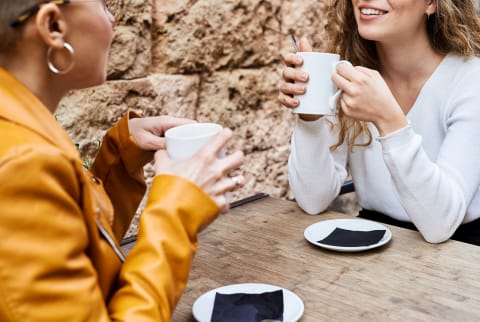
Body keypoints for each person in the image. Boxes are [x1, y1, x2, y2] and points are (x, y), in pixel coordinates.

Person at [0, 0, 245, 320]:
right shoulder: (22, 164)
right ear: (53, 26)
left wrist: (119, 156)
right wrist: (176, 214)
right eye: (103, 4)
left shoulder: (22, 127)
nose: (113, 19)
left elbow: (79, 254)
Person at [279, 0, 480, 245]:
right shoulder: (350, 73)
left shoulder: (471, 79)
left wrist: (389, 120)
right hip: (372, 242)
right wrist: (310, 117)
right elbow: (312, 200)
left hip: (461, 253)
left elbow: (440, 225)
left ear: (431, 3)